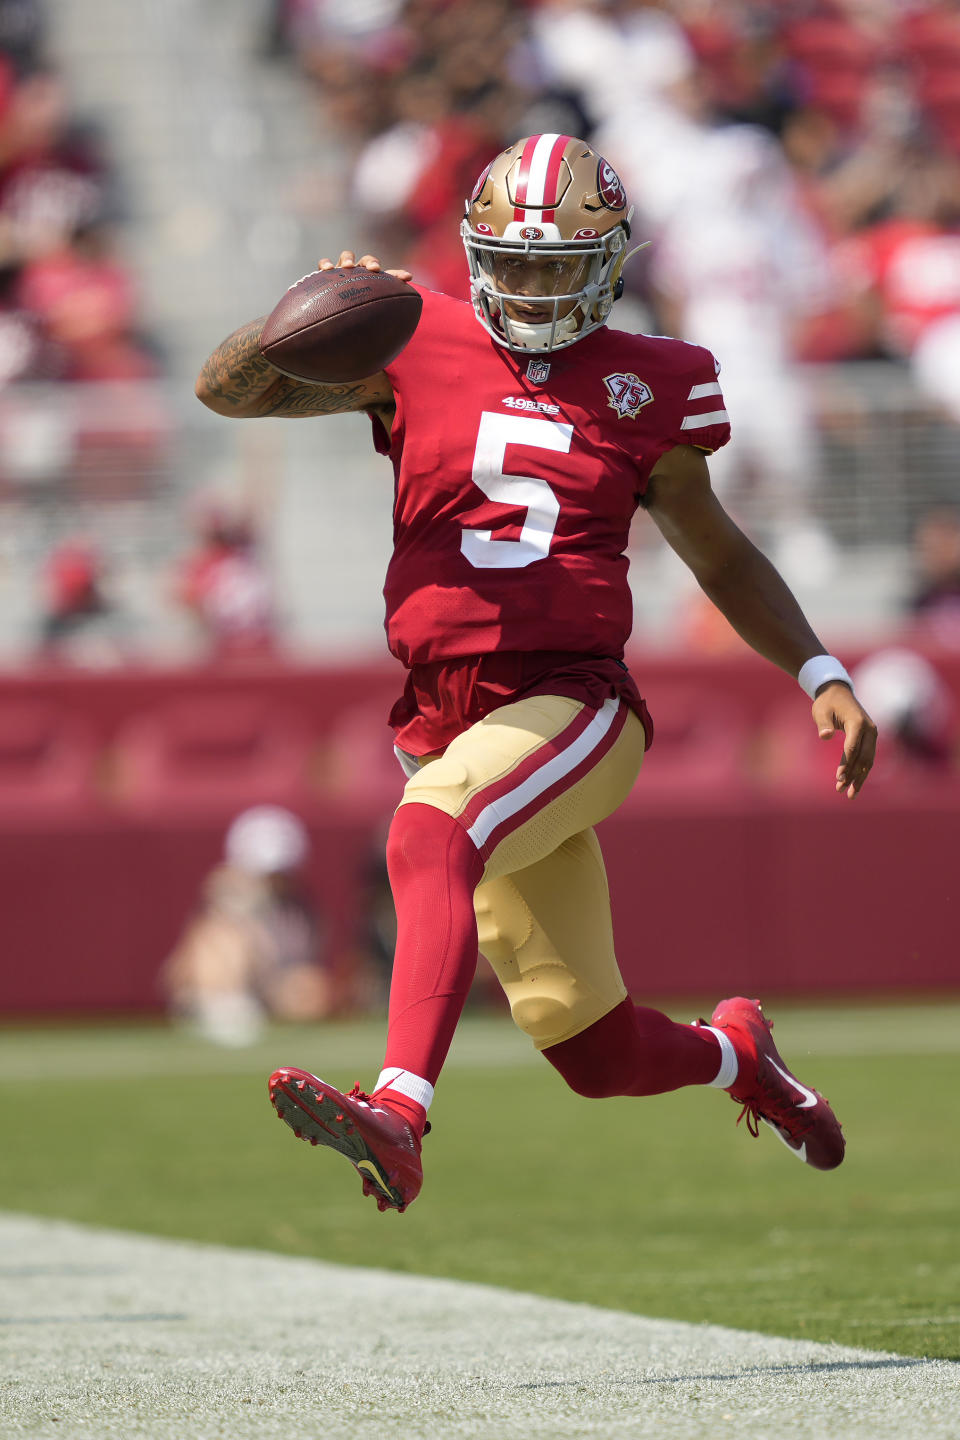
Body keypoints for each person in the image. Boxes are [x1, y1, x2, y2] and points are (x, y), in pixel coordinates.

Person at [196, 133, 877, 1212]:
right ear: (474, 255)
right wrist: (306, 309)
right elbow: (226, 391)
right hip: (443, 719)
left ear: (608, 262)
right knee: (593, 1052)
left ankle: (402, 1114)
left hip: (573, 700)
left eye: (557, 266)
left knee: (428, 833)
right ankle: (740, 1056)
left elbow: (718, 549)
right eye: (511, 263)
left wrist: (819, 668)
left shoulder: (658, 379)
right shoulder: (413, 333)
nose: (529, 287)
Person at [163, 805, 330, 1045]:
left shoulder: (299, 912)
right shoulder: (221, 908)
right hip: (218, 994)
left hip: (268, 994)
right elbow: (184, 972)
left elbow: (304, 981)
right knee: (222, 937)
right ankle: (221, 1008)